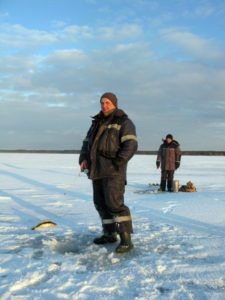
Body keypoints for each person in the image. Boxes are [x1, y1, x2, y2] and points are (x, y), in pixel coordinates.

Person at [79, 92, 138, 253]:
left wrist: (119, 161)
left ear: (114, 104)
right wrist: (83, 158)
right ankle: (109, 234)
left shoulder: (123, 121)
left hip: (113, 171)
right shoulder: (96, 122)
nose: (104, 105)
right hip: (96, 169)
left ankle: (126, 240)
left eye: (108, 103)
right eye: (102, 103)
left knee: (115, 204)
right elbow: (86, 143)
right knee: (100, 203)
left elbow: (131, 144)